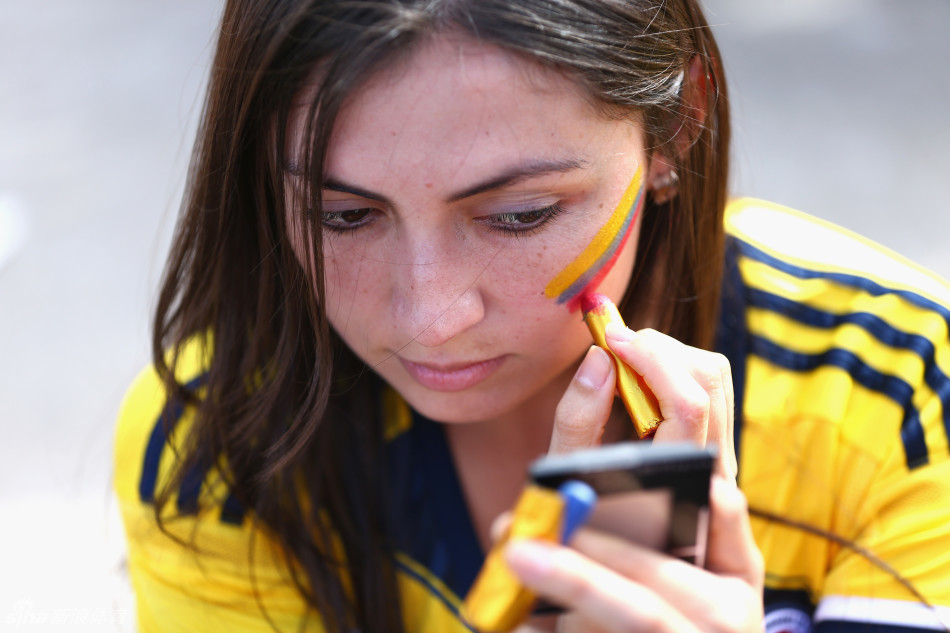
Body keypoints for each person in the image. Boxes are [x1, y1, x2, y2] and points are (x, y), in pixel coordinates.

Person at [113, 1, 950, 632]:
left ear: (678, 123)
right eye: (344, 216)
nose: (433, 315)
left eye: (518, 215)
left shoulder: (904, 390)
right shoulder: (220, 438)